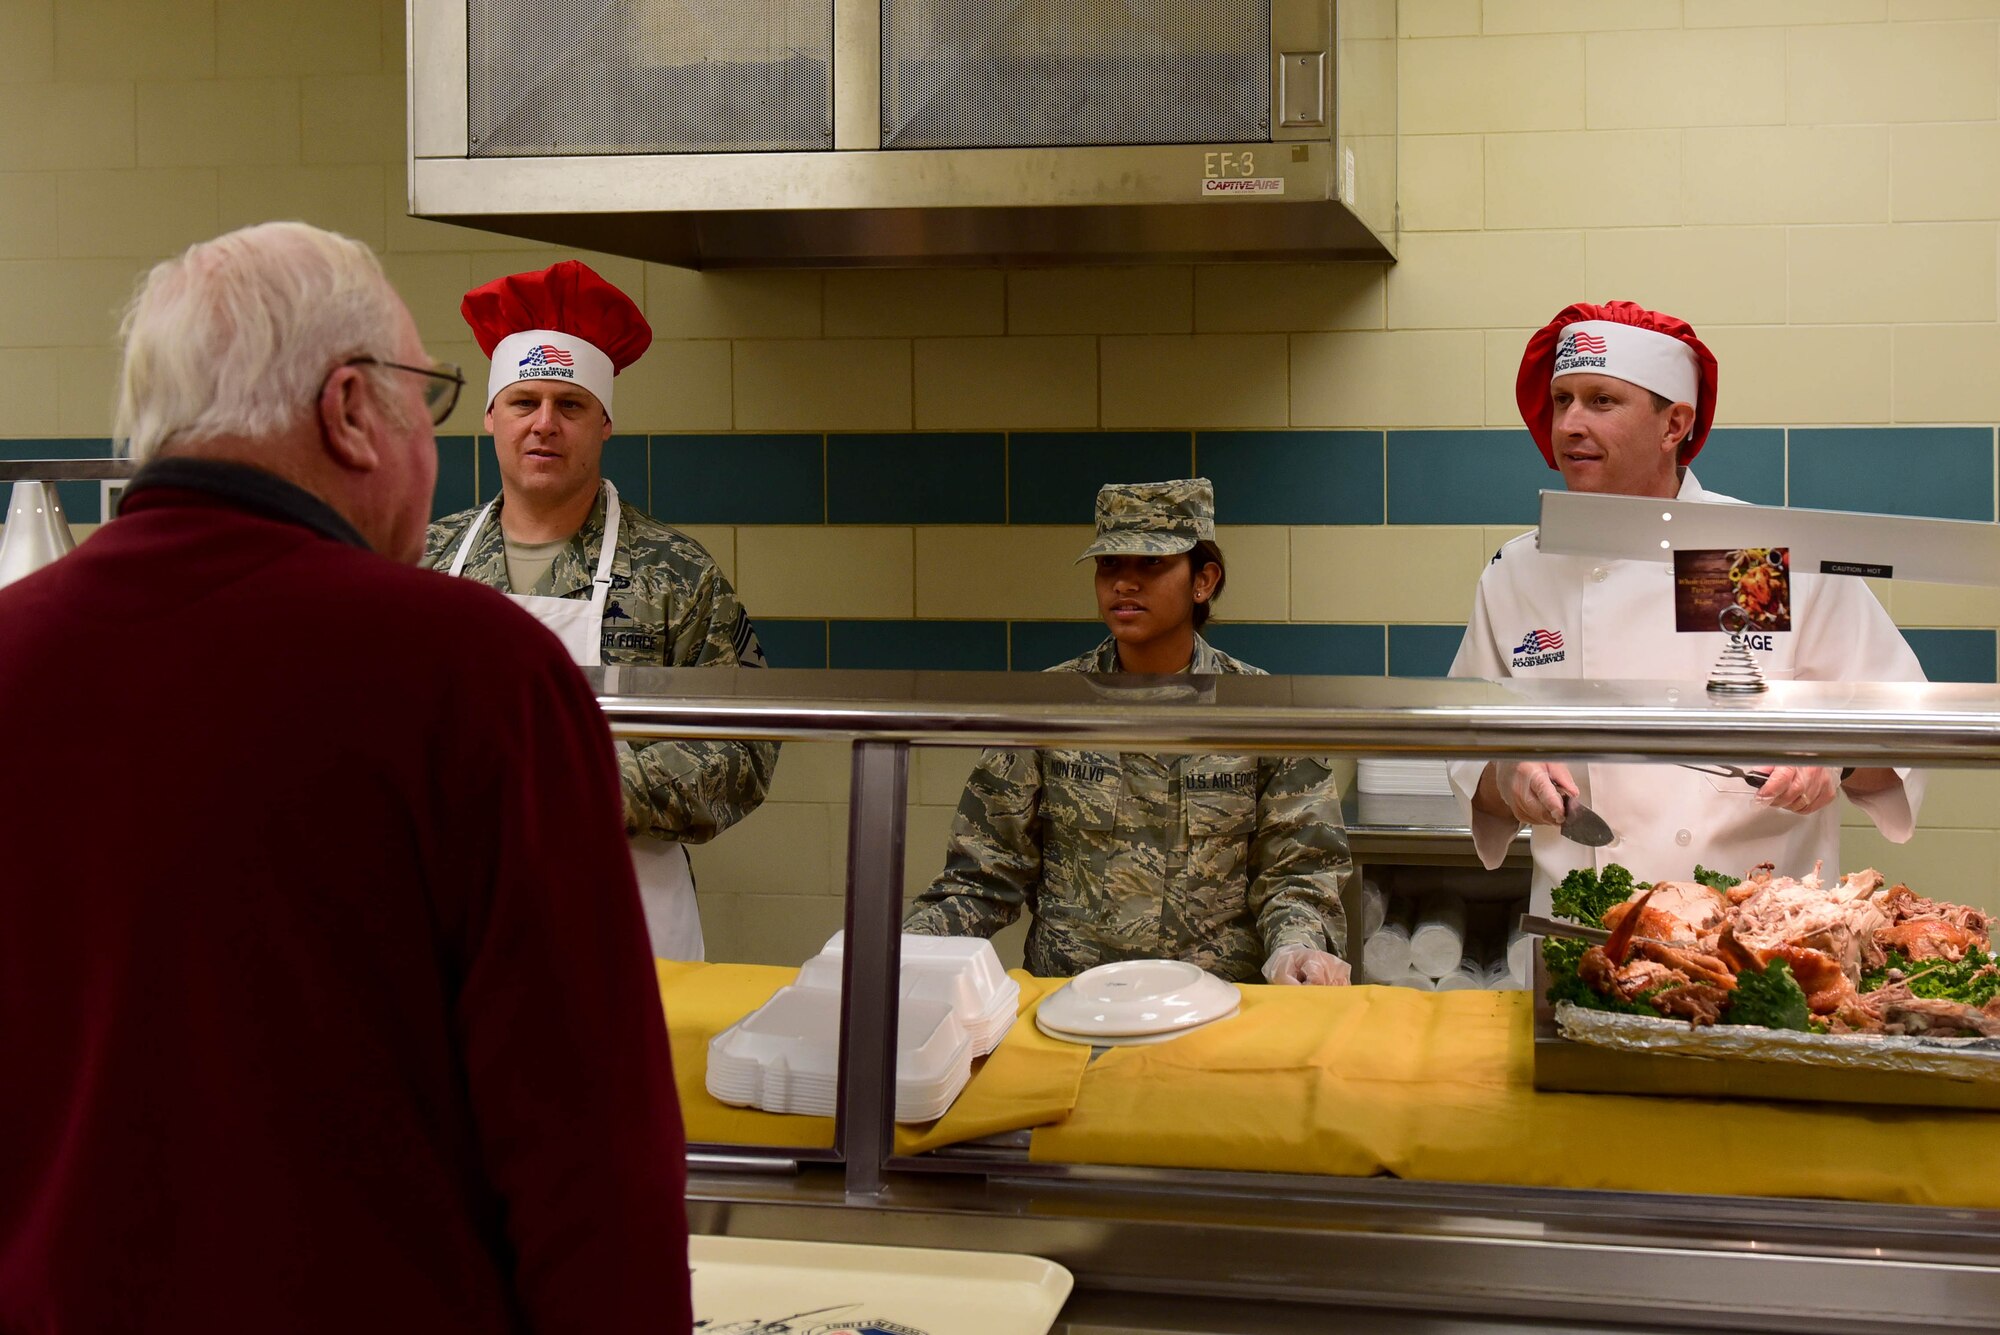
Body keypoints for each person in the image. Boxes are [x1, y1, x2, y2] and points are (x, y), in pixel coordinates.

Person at [0, 223, 691, 1333]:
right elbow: (588, 1154)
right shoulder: (472, 668)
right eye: (434, 402)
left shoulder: (11, 654)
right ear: (350, 411)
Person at [1448, 300, 1925, 911]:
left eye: (1600, 400)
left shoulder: (1761, 555)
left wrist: (1832, 765)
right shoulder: (1518, 572)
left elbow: (1905, 740)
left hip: (1760, 942)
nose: (1567, 424)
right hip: (1586, 939)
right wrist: (1512, 782)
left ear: (1674, 425)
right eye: (1562, 399)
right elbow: (1468, 765)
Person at [424, 261, 776, 961]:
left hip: (624, 928)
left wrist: (584, 785)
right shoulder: (424, 559)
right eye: (524, 402)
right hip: (455, 918)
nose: (544, 425)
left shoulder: (676, 573)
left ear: (605, 422)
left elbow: (746, 751)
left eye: (570, 405)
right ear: (491, 415)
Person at [906, 479, 1352, 985]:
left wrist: (1297, 947)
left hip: (1216, 1008)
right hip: (1073, 1008)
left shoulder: (1259, 711)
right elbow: (982, 878)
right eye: (1109, 565)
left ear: (1202, 581)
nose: (1124, 583)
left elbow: (1299, 873)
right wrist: (908, 951)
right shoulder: (1050, 706)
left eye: (1151, 564)